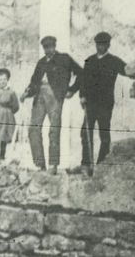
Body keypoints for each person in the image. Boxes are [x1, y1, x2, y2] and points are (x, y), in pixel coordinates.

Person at [20, 35, 82, 173]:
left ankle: (53, 165)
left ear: (55, 46)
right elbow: (34, 81)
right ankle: (40, 164)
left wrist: (72, 90)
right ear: (43, 48)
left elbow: (81, 73)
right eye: (46, 47)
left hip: (55, 96)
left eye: (51, 46)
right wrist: (26, 93)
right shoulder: (41, 62)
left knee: (54, 130)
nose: (48, 49)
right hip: (39, 95)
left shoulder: (64, 58)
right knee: (33, 129)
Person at [68, 31, 127, 176]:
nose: (100, 47)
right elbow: (83, 80)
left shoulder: (114, 61)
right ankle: (86, 165)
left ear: (108, 45)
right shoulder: (89, 61)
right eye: (98, 44)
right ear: (96, 45)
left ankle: (102, 165)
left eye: (103, 44)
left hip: (105, 104)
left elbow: (128, 70)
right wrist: (82, 96)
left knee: (104, 134)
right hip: (90, 103)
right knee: (85, 132)